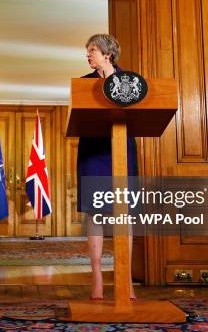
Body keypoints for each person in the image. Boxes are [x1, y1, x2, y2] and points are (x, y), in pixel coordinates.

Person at [77, 34, 138, 301]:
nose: (88, 55)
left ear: (107, 54)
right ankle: (98, 281)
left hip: (122, 148)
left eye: (92, 50)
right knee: (96, 214)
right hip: (93, 151)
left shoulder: (131, 81)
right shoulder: (82, 85)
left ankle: (126, 281)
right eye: (87, 51)